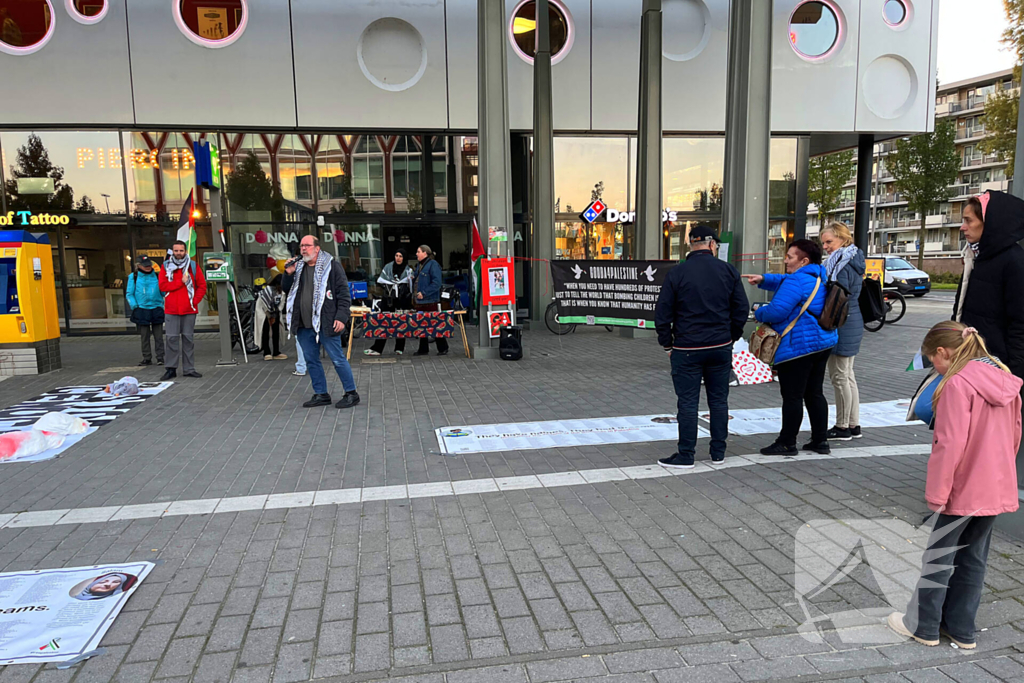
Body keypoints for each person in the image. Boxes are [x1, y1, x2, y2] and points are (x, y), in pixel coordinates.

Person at [888, 322, 1021, 650]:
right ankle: (961, 629)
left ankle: (923, 625)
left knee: (939, 555)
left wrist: (937, 493)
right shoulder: (1006, 378)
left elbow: (950, 445)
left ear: (943, 353)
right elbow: (1015, 435)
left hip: (962, 486)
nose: (932, 365)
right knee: (974, 556)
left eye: (932, 358)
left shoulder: (956, 385)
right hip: (995, 484)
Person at [654, 225, 749, 468]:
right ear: (712, 245)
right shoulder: (728, 270)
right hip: (720, 345)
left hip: (687, 347)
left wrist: (667, 344)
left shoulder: (677, 273)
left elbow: (662, 313)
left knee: (687, 402)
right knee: (719, 400)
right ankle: (718, 452)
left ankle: (686, 454)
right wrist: (731, 337)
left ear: (691, 245)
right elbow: (741, 309)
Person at [744, 239, 838, 456]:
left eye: (790, 257)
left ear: (803, 260)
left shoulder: (796, 282)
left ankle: (787, 442)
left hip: (798, 347)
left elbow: (776, 312)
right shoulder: (819, 276)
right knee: (814, 393)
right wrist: (764, 279)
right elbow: (786, 279)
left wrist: (758, 312)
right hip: (822, 343)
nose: (785, 260)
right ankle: (820, 440)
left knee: (793, 396)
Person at [954, 191, 1024, 382]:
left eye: (969, 221)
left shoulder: (1014, 262)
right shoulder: (976, 257)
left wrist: (1014, 376)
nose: (963, 227)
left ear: (990, 222)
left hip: (997, 367)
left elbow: (1019, 322)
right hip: (971, 358)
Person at [284, 236, 360, 409]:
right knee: (311, 360)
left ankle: (351, 393)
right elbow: (287, 290)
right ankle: (321, 394)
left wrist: (341, 317)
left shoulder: (331, 266)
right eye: (302, 246)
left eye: (307, 246)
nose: (303, 249)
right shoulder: (299, 267)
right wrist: (288, 274)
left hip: (326, 322)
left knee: (338, 359)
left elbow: (343, 294)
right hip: (303, 323)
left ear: (317, 248)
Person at [820, 222, 865, 440]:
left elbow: (838, 297)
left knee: (839, 377)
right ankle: (853, 423)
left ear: (843, 239)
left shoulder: (841, 264)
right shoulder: (852, 259)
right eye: (823, 243)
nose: (826, 247)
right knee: (848, 376)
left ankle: (843, 425)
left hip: (842, 323)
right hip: (852, 321)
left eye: (829, 241)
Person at [159, 240, 206, 380]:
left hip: (189, 310)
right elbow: (163, 286)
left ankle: (189, 369)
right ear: (172, 252)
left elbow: (202, 286)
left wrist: (194, 301)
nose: (178, 253)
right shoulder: (166, 266)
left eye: (181, 250)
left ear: (185, 251)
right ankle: (171, 369)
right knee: (171, 340)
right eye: (176, 251)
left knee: (188, 340)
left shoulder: (193, 266)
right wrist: (181, 282)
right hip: (172, 310)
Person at [365, 249, 413, 356]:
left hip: (401, 301)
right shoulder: (388, 267)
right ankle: (377, 348)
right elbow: (381, 281)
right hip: (388, 300)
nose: (398, 258)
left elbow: (410, 286)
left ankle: (399, 348)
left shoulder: (408, 270)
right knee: (384, 323)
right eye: (396, 255)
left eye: (400, 256)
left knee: (400, 324)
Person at [125, 255, 165, 367]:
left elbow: (163, 292)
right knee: (144, 336)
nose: (148, 267)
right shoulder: (134, 277)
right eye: (145, 265)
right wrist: (135, 306)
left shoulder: (157, 276)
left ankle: (160, 357)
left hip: (156, 308)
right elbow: (129, 293)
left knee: (159, 336)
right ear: (138, 266)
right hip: (141, 309)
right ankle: (146, 358)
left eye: (149, 265)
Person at [412, 245, 448, 356]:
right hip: (420, 301)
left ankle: (443, 347)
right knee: (422, 324)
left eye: (418, 252)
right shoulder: (419, 265)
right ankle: (423, 348)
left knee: (434, 324)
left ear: (425, 253)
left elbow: (437, 283)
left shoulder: (433, 265)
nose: (416, 254)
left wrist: (424, 293)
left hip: (430, 300)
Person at [256, 275, 288, 361]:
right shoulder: (267, 290)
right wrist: (270, 314)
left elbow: (281, 305)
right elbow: (263, 303)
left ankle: (276, 352)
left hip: (275, 312)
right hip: (264, 312)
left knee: (276, 332)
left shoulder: (282, 292)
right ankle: (266, 352)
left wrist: (274, 313)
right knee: (265, 332)